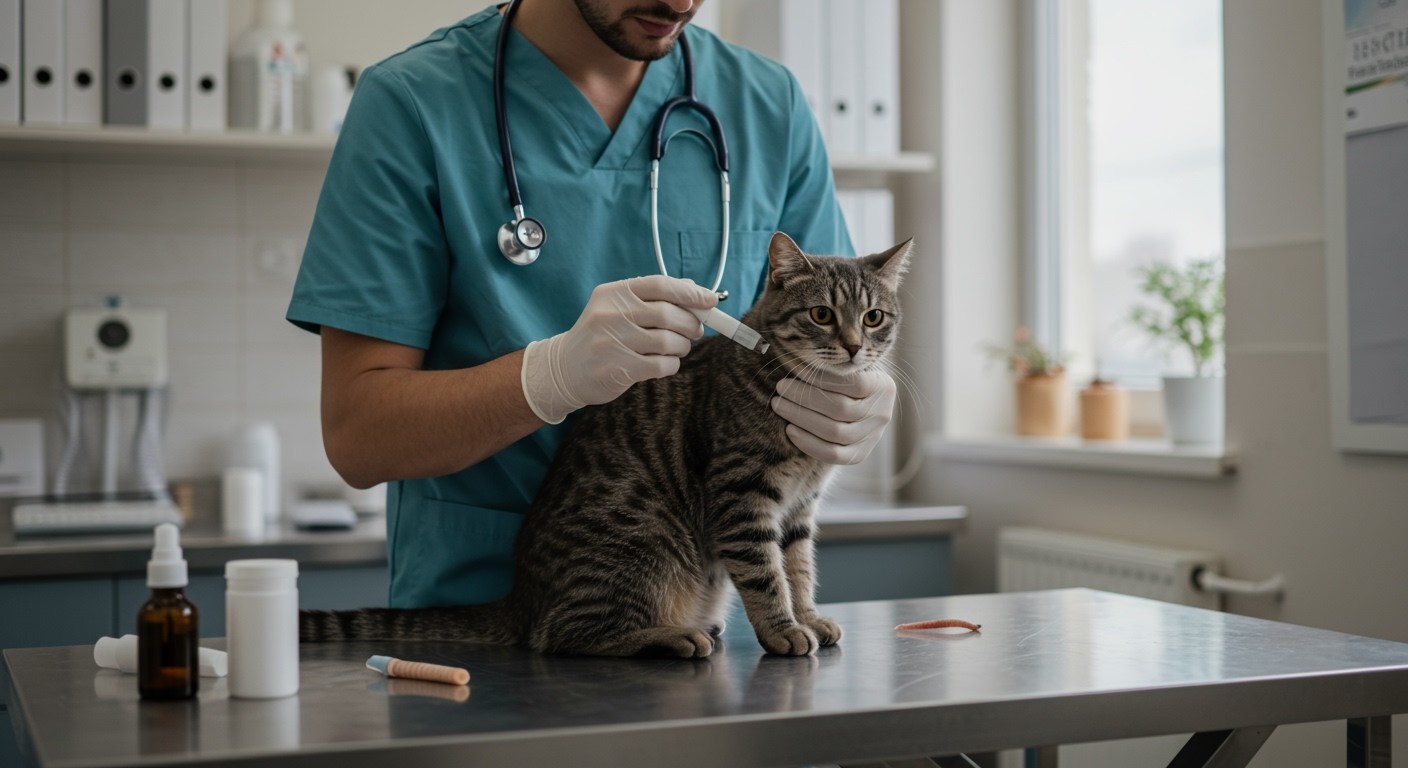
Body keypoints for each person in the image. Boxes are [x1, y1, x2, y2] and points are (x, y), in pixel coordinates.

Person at [286, 0, 898, 609]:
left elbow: (841, 318)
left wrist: (858, 401)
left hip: (722, 637)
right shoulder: (412, 102)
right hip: (476, 642)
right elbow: (357, 437)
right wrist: (546, 379)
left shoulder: (767, 104)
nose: (680, 3)